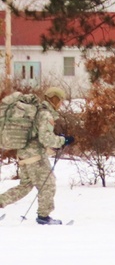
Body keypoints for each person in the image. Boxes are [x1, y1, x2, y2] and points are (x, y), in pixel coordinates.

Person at [0, 87, 74, 225]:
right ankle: (44, 217)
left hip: (23, 154)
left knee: (25, 186)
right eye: (60, 100)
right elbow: (45, 139)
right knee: (49, 184)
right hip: (35, 157)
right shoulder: (45, 115)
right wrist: (63, 141)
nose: (61, 103)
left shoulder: (38, 112)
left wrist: (58, 138)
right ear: (55, 99)